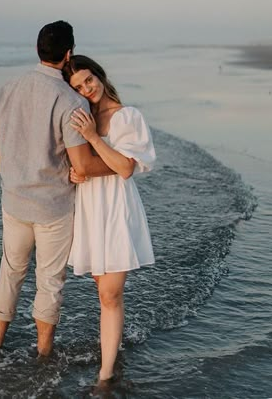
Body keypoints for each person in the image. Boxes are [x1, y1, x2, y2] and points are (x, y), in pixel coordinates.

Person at [0, 22, 113, 357]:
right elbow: (82, 166)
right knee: (49, 281)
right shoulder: (71, 101)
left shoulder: (10, 86)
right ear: (68, 54)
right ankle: (43, 355)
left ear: (38, 50)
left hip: (14, 202)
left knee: (10, 272)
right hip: (53, 208)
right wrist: (122, 164)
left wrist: (11, 178)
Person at [62, 54, 156, 383]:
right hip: (89, 206)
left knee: (110, 294)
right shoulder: (82, 116)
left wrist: (92, 138)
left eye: (89, 80)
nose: (87, 89)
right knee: (104, 291)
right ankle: (113, 347)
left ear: (99, 75)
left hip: (116, 207)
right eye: (78, 86)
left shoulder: (126, 116)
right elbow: (83, 163)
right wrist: (75, 173)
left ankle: (105, 374)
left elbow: (126, 167)